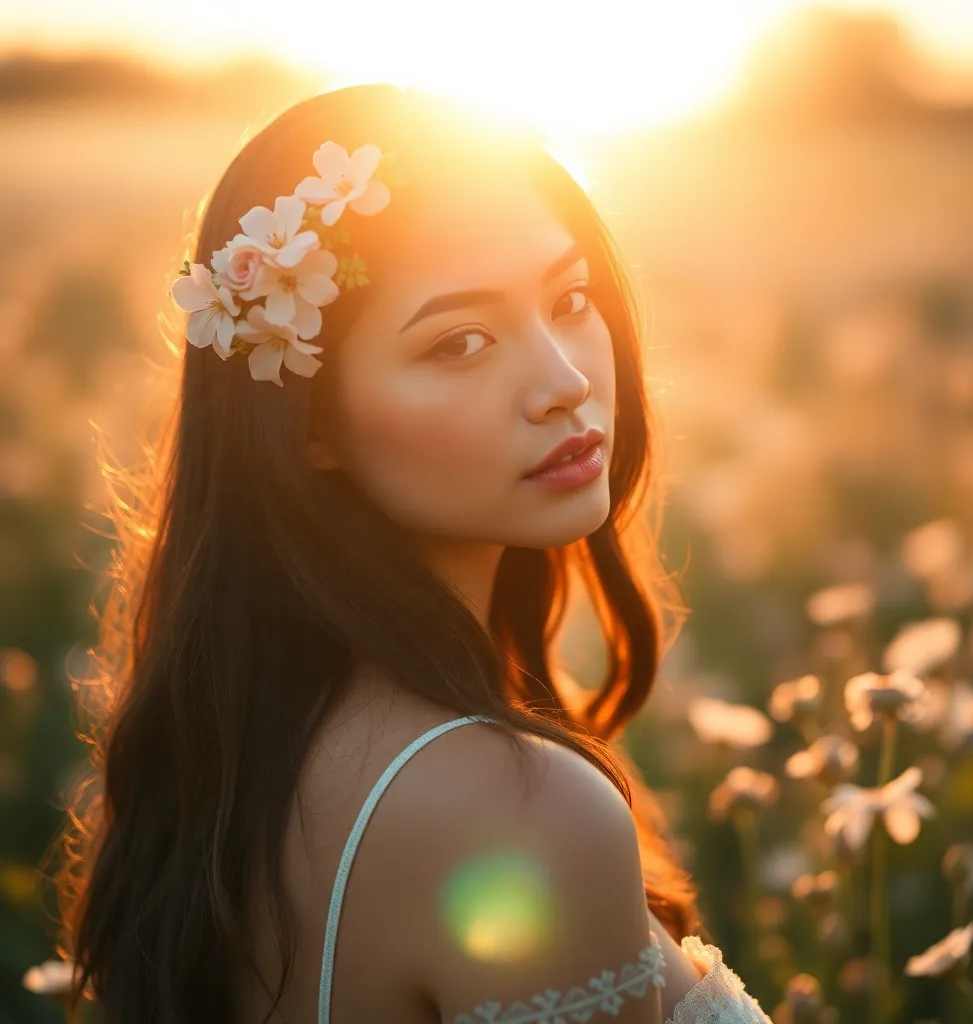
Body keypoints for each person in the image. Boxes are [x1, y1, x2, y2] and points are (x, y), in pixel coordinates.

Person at [52, 83, 772, 1023]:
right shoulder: (518, 813)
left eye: (571, 298)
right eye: (460, 342)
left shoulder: (240, 767)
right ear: (308, 423)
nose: (564, 381)